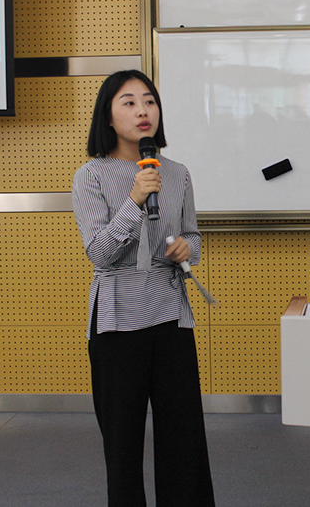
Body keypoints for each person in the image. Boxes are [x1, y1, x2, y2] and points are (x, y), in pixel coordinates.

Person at [72, 69, 215, 506]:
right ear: (108, 116)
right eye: (129, 102)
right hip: (118, 321)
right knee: (123, 444)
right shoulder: (91, 176)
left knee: (184, 439)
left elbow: (193, 236)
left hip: (170, 313)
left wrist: (185, 248)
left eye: (149, 101)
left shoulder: (177, 173)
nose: (142, 111)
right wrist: (134, 199)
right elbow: (100, 253)